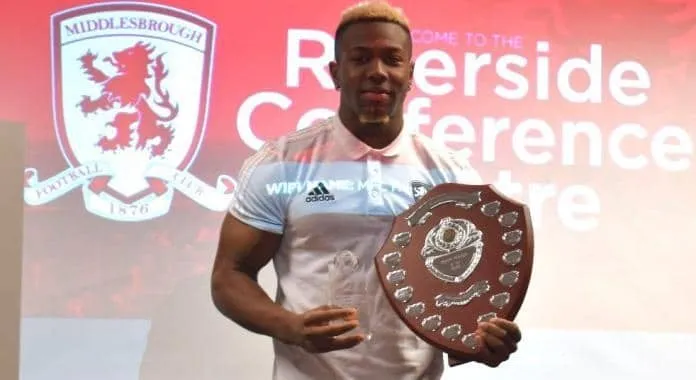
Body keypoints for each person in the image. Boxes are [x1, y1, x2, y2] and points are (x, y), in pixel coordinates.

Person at [211, 1, 522, 379]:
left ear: (410, 74)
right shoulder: (282, 163)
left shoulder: (451, 173)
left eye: (392, 60)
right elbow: (231, 275)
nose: (377, 72)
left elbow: (468, 295)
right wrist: (288, 326)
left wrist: (482, 341)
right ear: (335, 72)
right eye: (360, 59)